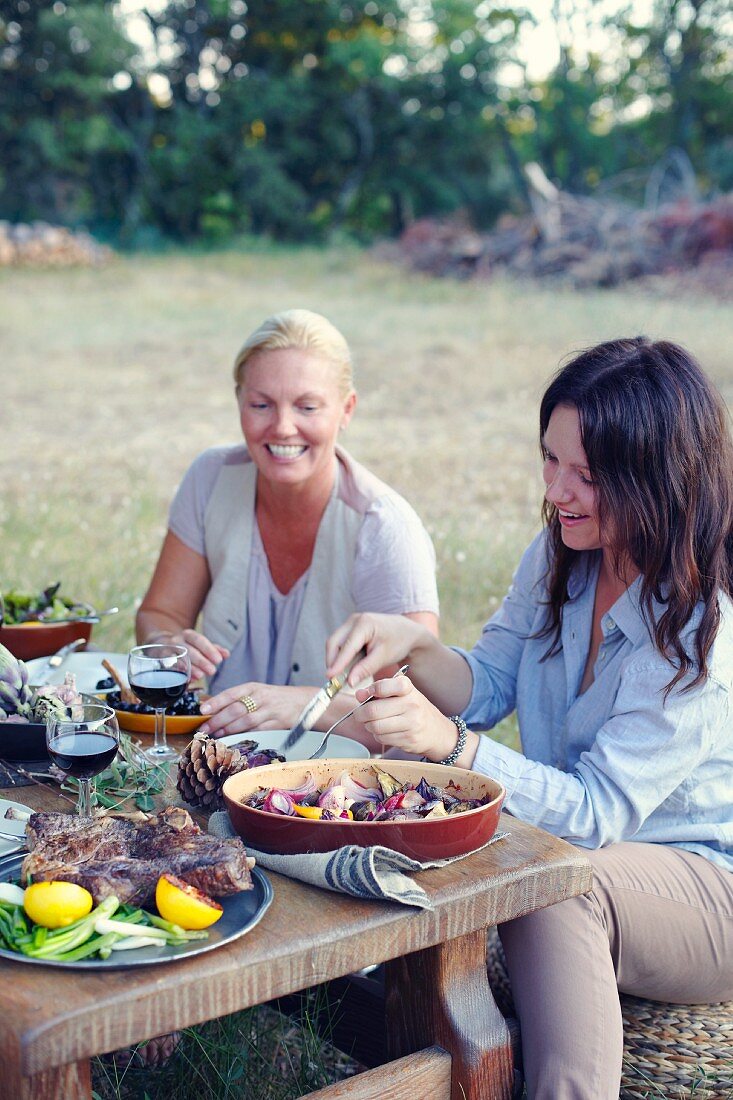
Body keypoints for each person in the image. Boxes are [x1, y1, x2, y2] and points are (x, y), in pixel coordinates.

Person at [325, 337, 733, 1100]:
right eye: (550, 460)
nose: (558, 491)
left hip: (706, 883)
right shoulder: (557, 557)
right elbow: (485, 684)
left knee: (557, 882)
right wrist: (411, 645)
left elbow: (593, 814)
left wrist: (450, 746)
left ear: (657, 478)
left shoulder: (699, 633)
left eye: (587, 475)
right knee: (525, 863)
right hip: (592, 852)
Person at [136, 308, 439, 741]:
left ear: (346, 409)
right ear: (239, 401)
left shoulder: (385, 527)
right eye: (261, 405)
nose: (282, 427)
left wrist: (304, 706)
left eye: (307, 406)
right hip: (217, 756)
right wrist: (169, 646)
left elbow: (416, 715)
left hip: (337, 785)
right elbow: (159, 613)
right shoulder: (210, 478)